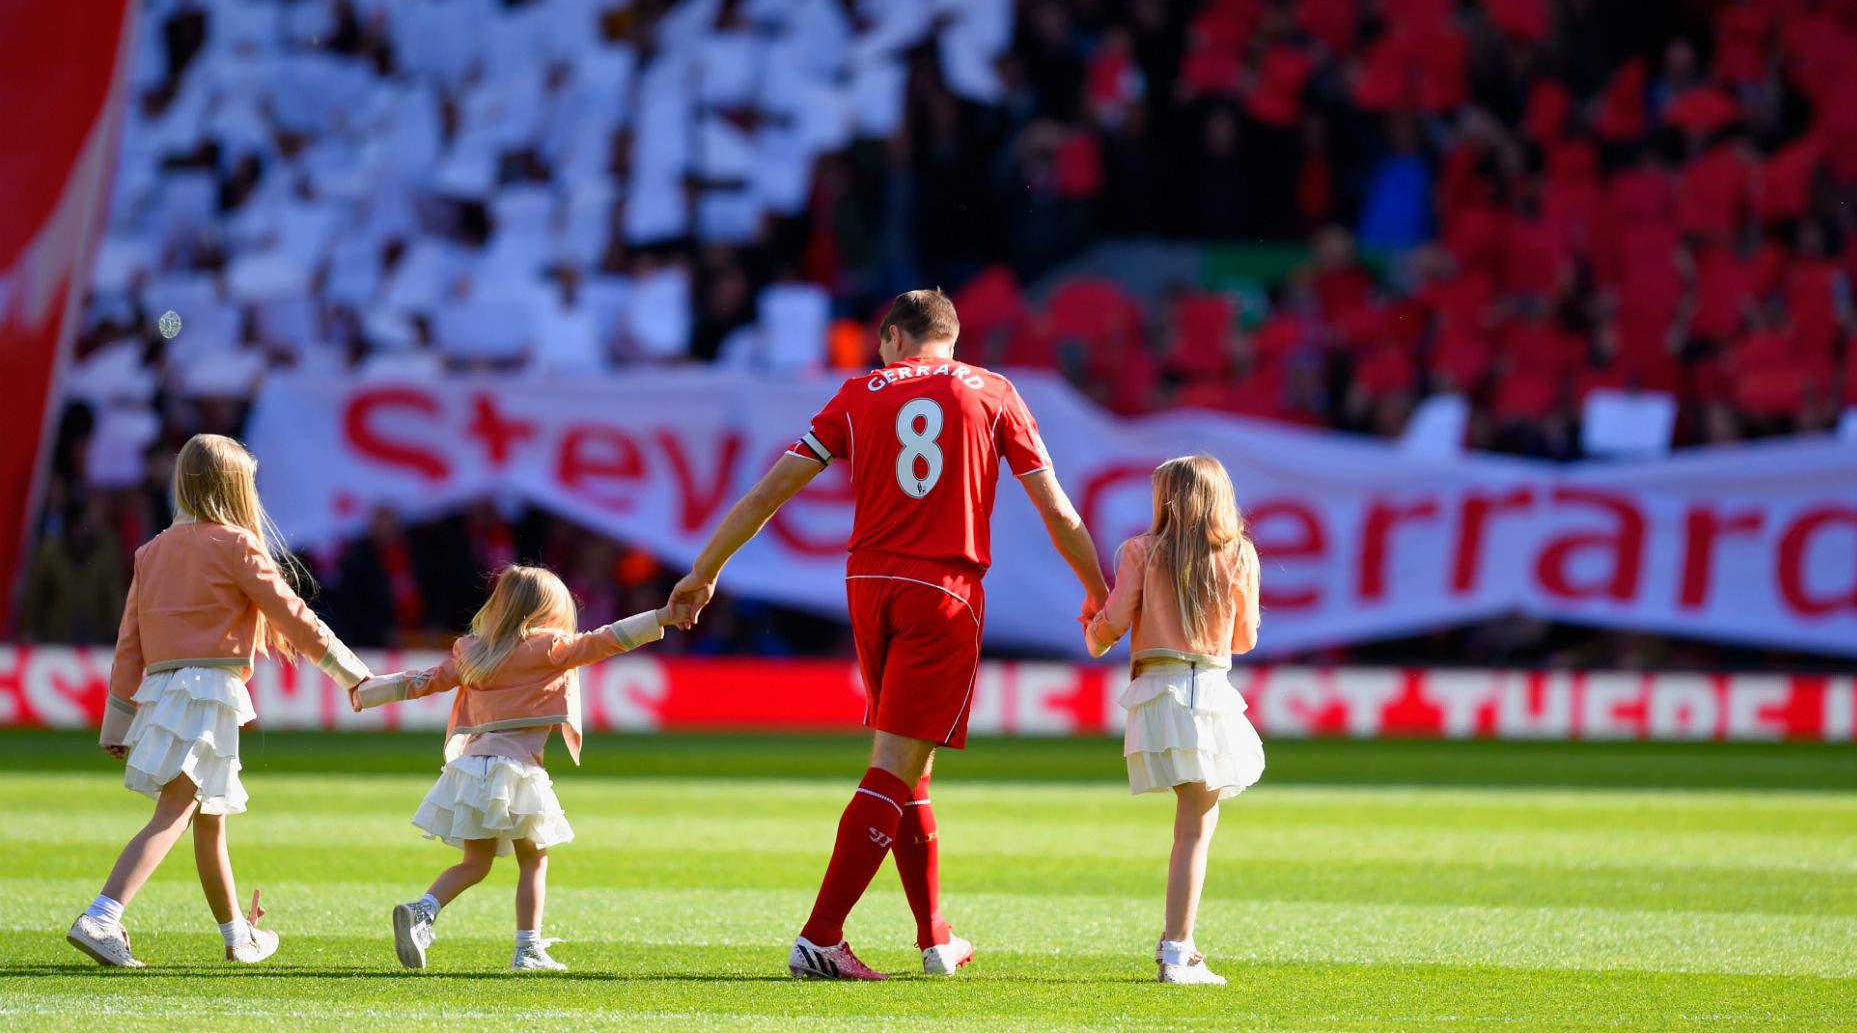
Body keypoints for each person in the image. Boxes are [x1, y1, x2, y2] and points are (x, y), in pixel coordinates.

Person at [667, 288, 1110, 980]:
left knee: (908, 762)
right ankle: (820, 938)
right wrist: (1099, 591)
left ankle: (935, 937)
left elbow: (765, 495)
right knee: (894, 766)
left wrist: (703, 571)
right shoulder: (992, 390)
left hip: (868, 584)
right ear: (947, 339)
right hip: (944, 589)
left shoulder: (859, 392)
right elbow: (1054, 507)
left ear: (897, 339)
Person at [68, 434, 374, 968]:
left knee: (209, 819)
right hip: (207, 691)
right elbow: (292, 616)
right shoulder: (235, 544)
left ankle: (238, 936)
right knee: (179, 811)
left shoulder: (151, 552)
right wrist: (352, 673)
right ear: (236, 488)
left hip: (163, 692)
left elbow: (129, 644)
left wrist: (116, 723)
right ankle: (102, 915)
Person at [351, 564, 684, 972]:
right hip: (518, 770)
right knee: (535, 859)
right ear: (548, 610)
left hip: (471, 769)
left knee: (474, 864)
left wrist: (366, 693)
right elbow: (607, 640)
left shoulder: (475, 651)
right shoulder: (551, 648)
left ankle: (423, 910)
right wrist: (662, 616)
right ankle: (527, 949)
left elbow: (424, 680)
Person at [1084, 455, 1266, 985]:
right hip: (1206, 692)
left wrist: (1092, 629)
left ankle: (1180, 944)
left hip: (1154, 691)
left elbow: (1110, 626)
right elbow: (1246, 639)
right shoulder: (1238, 556)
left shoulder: (1140, 551)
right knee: (1194, 831)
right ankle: (1177, 950)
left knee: (1189, 828)